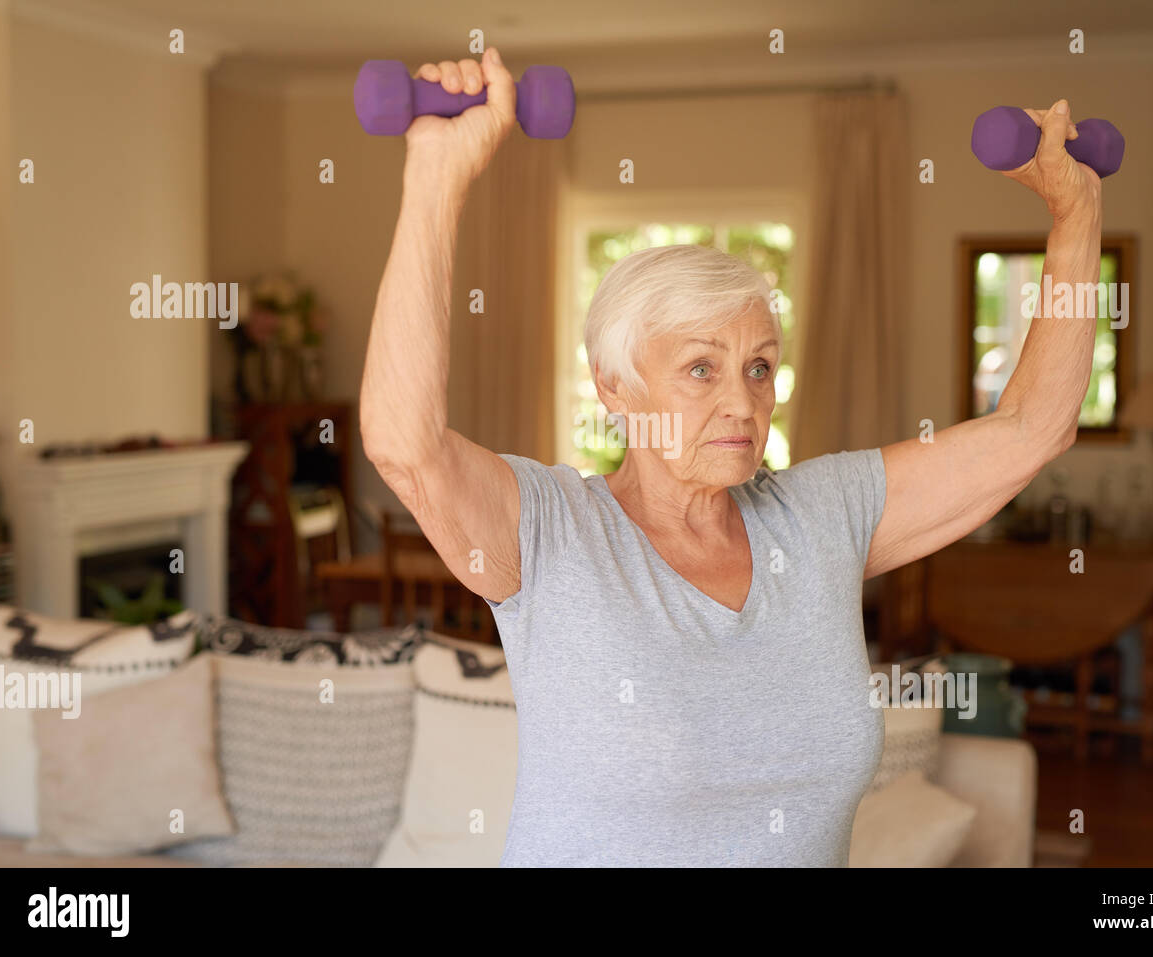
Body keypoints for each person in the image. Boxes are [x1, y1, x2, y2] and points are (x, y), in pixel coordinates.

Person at [360, 48, 1101, 866]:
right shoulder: (552, 532)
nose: (742, 402)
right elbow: (406, 444)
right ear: (615, 384)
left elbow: (1034, 427)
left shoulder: (821, 516)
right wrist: (435, 173)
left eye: (759, 366)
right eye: (701, 368)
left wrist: (1076, 220)